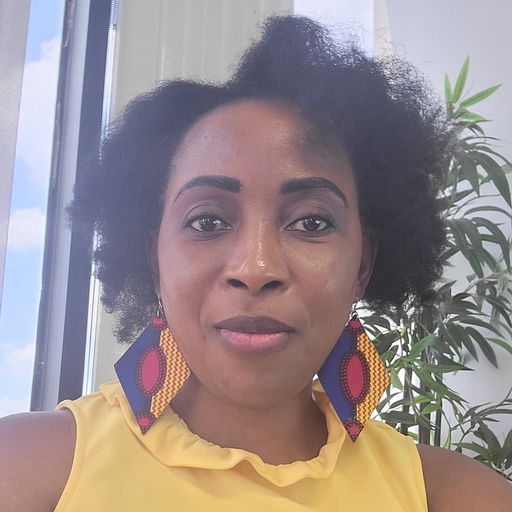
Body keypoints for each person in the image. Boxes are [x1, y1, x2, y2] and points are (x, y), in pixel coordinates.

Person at [1, 15, 511, 511]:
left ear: (363, 264)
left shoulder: (450, 495)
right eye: (207, 221)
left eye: (311, 222)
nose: (256, 267)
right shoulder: (28, 468)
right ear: (154, 258)